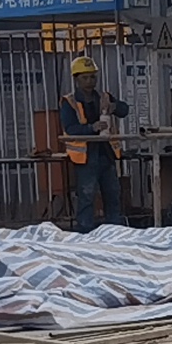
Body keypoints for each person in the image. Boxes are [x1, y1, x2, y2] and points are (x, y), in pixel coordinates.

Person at [57, 55, 124, 230]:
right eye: (85, 77)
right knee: (86, 197)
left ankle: (115, 231)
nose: (89, 81)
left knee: (112, 195)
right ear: (76, 79)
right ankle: (85, 232)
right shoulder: (70, 102)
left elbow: (124, 110)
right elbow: (71, 128)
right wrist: (91, 128)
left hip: (106, 155)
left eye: (92, 77)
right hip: (86, 158)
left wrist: (115, 107)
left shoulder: (104, 97)